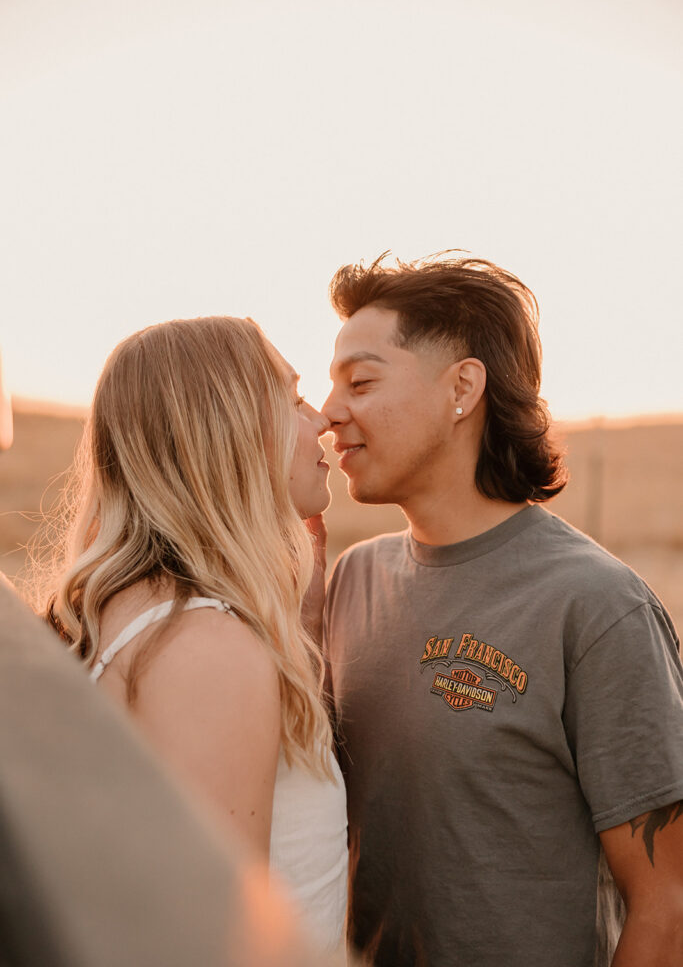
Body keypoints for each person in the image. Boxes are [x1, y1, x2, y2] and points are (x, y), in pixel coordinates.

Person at [321, 252, 683, 967]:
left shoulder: (594, 604)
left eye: (359, 381)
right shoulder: (351, 579)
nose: (331, 412)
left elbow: (666, 906)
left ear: (462, 388)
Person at [0, 349, 339, 967]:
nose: (323, 420)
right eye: (292, 400)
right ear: (226, 434)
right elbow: (211, 947)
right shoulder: (205, 646)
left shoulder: (140, 613)